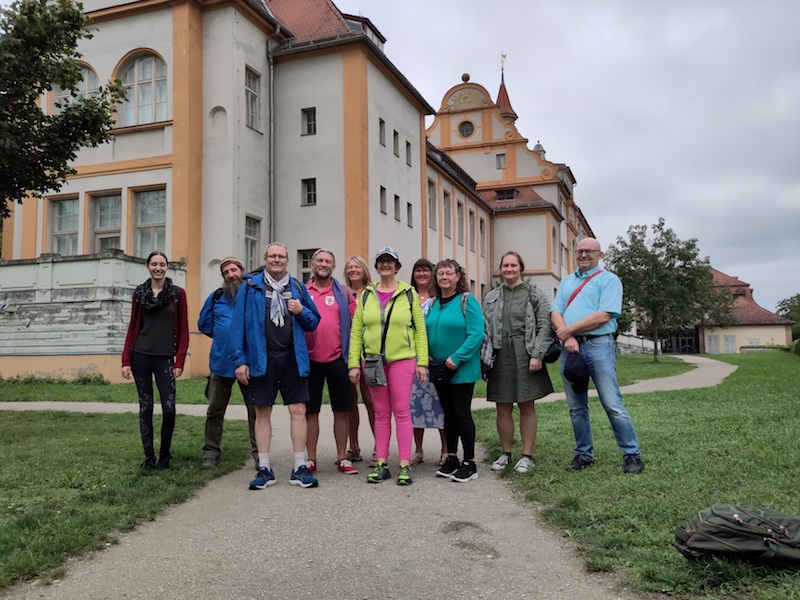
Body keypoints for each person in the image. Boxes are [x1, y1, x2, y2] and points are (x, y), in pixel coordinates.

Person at [229, 242, 321, 489]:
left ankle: (300, 467)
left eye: (281, 256)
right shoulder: (250, 287)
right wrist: (239, 361)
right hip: (262, 359)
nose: (277, 260)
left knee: (299, 410)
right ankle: (264, 468)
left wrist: (301, 311)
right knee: (262, 412)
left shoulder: (298, 287)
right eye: (272, 256)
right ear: (265, 259)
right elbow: (236, 327)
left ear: (287, 260)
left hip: (293, 357)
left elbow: (314, 322)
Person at [551, 237, 644, 474]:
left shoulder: (609, 280)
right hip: (570, 349)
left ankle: (632, 455)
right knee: (576, 407)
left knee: (612, 404)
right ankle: (584, 454)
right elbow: (556, 312)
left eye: (588, 251)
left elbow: (604, 315)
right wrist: (568, 338)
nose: (583, 255)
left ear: (599, 255)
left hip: (598, 346)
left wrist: (569, 330)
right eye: (579, 251)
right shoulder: (567, 281)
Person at [348, 247, 428, 485]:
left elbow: (419, 330)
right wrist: (354, 363)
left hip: (402, 360)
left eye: (390, 261)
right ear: (376, 266)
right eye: (381, 261)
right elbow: (356, 332)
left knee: (402, 412)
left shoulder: (409, 293)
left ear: (397, 266)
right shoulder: (366, 295)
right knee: (381, 413)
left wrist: (422, 362)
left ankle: (404, 465)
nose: (385, 265)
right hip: (373, 361)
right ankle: (381, 462)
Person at [482, 251, 553, 474]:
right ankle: (505, 453)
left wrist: (537, 355)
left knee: (526, 405)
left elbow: (545, 326)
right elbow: (484, 330)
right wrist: (484, 362)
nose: (509, 269)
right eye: (505, 265)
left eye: (513, 265)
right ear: (501, 269)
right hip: (499, 355)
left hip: (526, 353)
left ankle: (526, 455)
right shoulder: (491, 297)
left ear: (521, 268)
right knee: (502, 406)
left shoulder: (535, 294)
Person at [121, 251, 189, 472]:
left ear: (167, 267)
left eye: (162, 264)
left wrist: (179, 362)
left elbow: (185, 329)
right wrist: (125, 360)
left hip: (165, 359)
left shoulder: (178, 294)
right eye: (154, 264)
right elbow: (133, 326)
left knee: (169, 408)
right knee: (146, 407)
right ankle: (149, 458)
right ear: (148, 266)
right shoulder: (139, 293)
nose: (158, 268)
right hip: (140, 355)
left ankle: (165, 457)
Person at [426, 259, 484, 483]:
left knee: (461, 413)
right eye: (440, 273)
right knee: (447, 414)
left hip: (461, 368)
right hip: (440, 368)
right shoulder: (434, 303)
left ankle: (469, 461)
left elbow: (476, 334)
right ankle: (451, 457)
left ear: (458, 277)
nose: (444, 277)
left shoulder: (467, 301)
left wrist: (457, 357)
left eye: (449, 273)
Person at [197, 256, 258, 469]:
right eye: (226, 272)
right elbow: (204, 325)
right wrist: (226, 338)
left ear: (242, 270)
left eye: (234, 270)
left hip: (249, 365)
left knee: (255, 411)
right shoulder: (216, 297)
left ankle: (260, 454)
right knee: (215, 409)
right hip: (221, 363)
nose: (231, 275)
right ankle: (211, 452)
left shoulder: (253, 295)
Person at [305, 248, 358, 475]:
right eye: (319, 260)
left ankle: (342, 457)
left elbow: (356, 325)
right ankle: (310, 459)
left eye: (327, 261)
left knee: (342, 410)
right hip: (309, 360)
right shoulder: (301, 291)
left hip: (339, 359)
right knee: (310, 411)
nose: (323, 263)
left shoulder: (344, 293)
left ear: (333, 266)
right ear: (312, 264)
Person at [409, 258, 447, 466]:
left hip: (435, 360)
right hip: (411, 360)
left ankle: (445, 449)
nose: (422, 274)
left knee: (440, 405)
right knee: (414, 406)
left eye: (426, 270)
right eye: (418, 270)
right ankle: (419, 450)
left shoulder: (439, 298)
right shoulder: (408, 296)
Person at [343, 255, 375, 465]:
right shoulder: (342, 293)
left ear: (364, 270)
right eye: (350, 267)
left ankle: (378, 448)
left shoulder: (373, 293)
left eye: (357, 267)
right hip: (348, 354)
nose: (353, 270)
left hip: (371, 354)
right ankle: (353, 446)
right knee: (350, 403)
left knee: (372, 402)